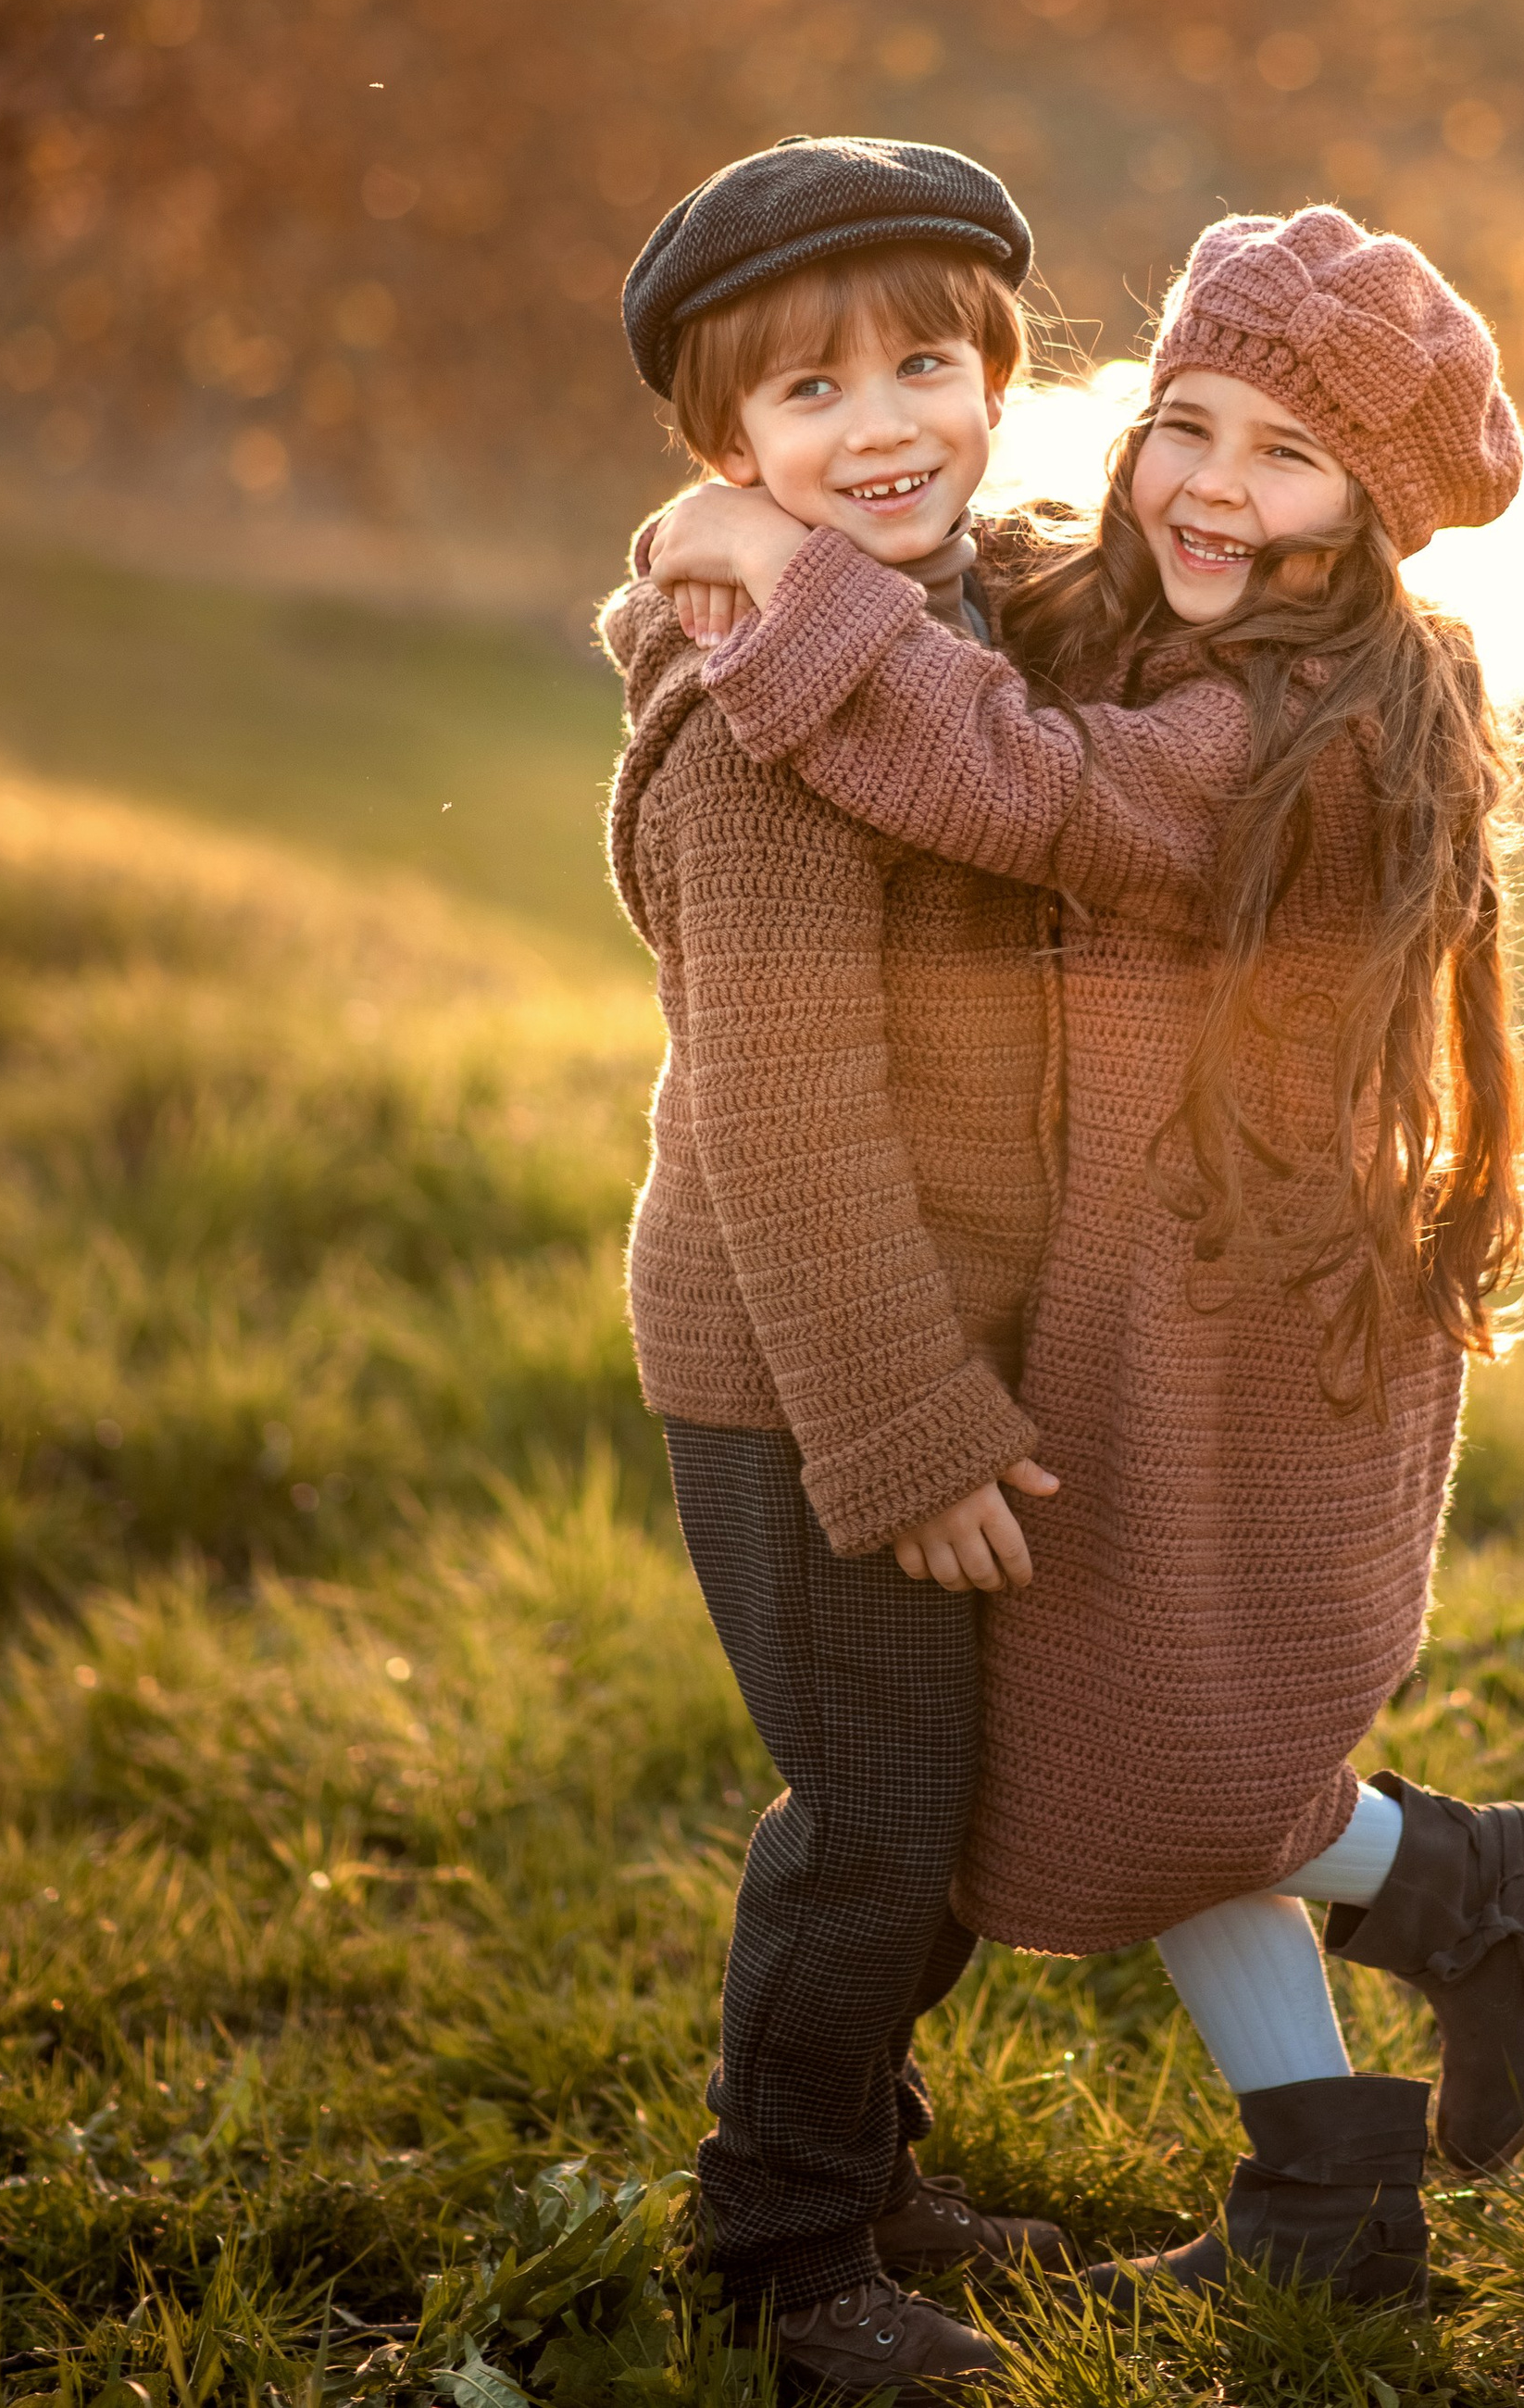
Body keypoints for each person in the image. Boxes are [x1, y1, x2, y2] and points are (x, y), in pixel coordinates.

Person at [650, 203, 1524, 2314]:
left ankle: (1416, 1970)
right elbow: (951, 619)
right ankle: (1377, 2067)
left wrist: (767, 553)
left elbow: (1013, 768)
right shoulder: (1087, 614)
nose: (1208, 483)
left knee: (1149, 1745)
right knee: (1088, 1749)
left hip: (1221, 1302)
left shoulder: (1316, 729)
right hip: (1068, 1297)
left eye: (1286, 452)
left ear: (1378, 507)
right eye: (1182, 420)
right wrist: (721, 542)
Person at [600, 133, 1075, 2393]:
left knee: (955, 1807)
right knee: (877, 1822)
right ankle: (781, 2251)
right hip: (798, 1367)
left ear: (998, 372)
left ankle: (862, 2163)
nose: (879, 424)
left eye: (922, 363)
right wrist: (896, 1430)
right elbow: (783, 1126)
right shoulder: (767, 740)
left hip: (935, 1331)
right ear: (725, 450)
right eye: (805, 400)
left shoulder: (949, 619)